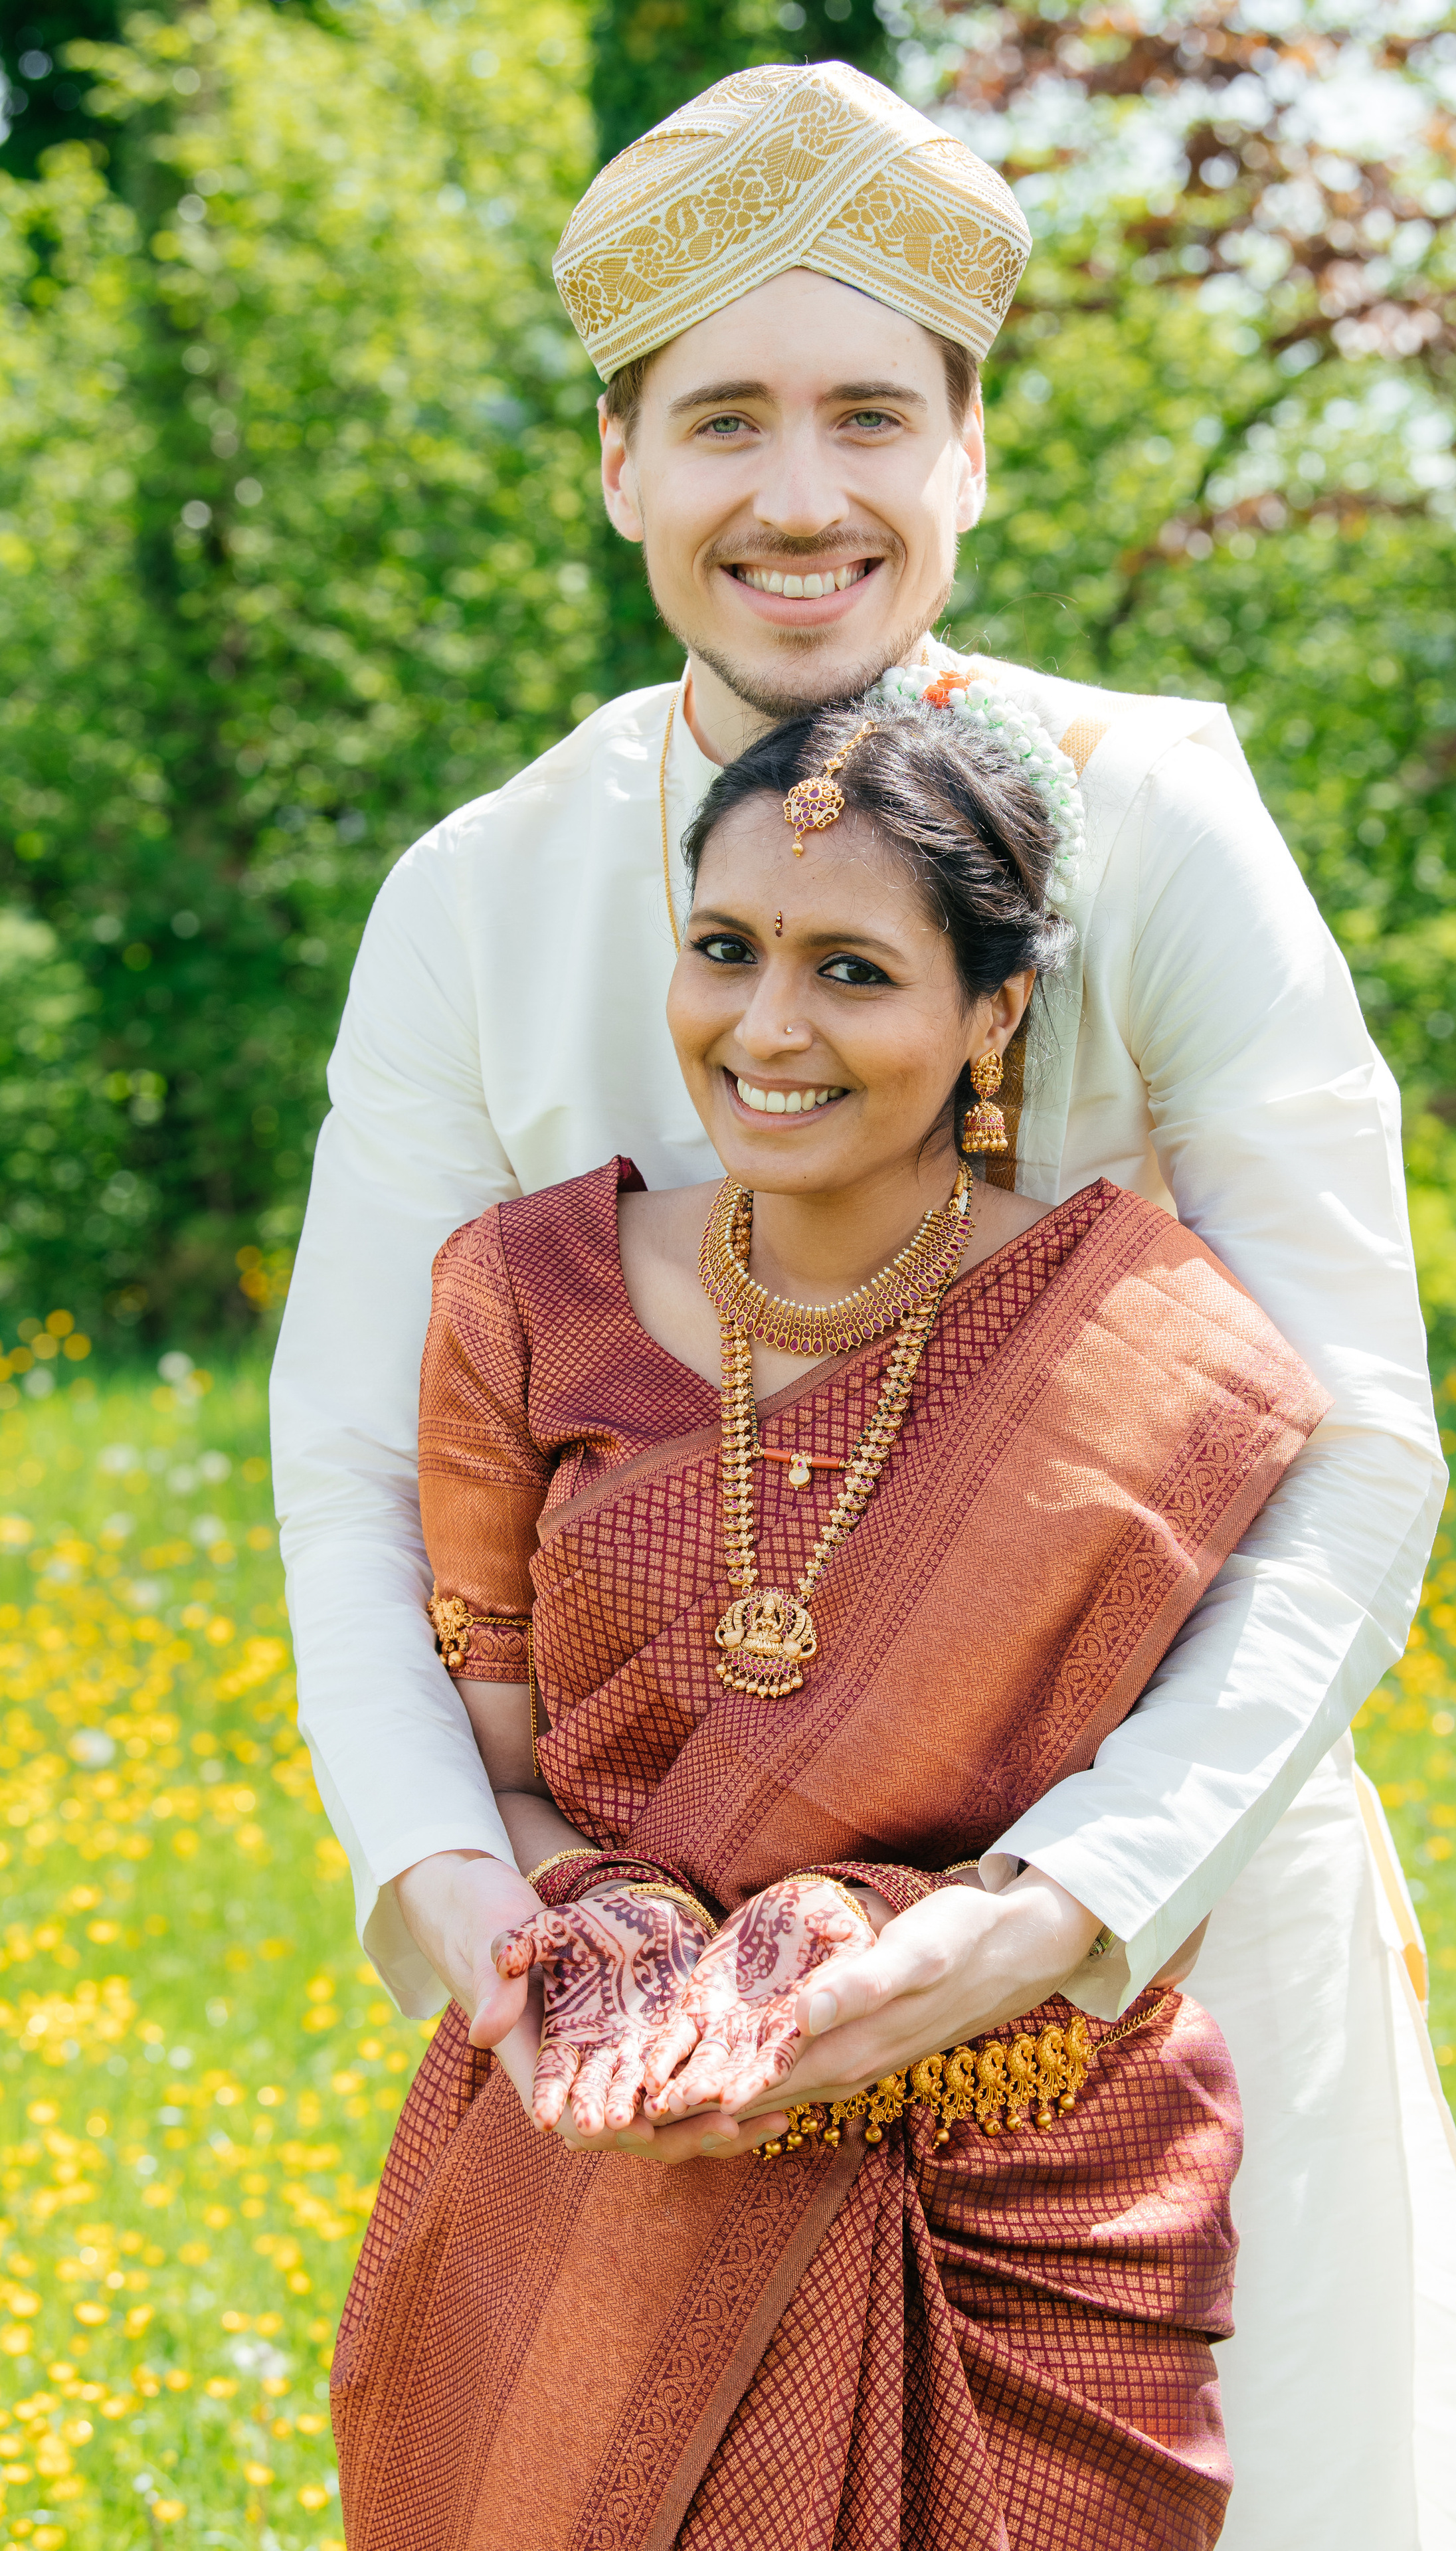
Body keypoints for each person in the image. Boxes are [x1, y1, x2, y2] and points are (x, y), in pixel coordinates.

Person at [274, 58, 1456, 2550]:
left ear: (970, 451)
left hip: (1151, 1952)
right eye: (723, 418)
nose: (802, 496)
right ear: (620, 462)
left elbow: (1355, 1439)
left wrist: (1065, 1901)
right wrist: (481, 1917)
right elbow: (351, 1473)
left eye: (873, 413)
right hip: (649, 2002)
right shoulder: (477, 894)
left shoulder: (1156, 818)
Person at [333, 698, 1327, 2547]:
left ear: (994, 1013)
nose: (767, 1028)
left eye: (853, 970)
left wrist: (860, 1951)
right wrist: (619, 1940)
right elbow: (497, 1768)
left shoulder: (1137, 1348)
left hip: (1017, 2172)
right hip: (610, 2124)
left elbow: (1166, 1766)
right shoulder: (524, 1296)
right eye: (726, 950)